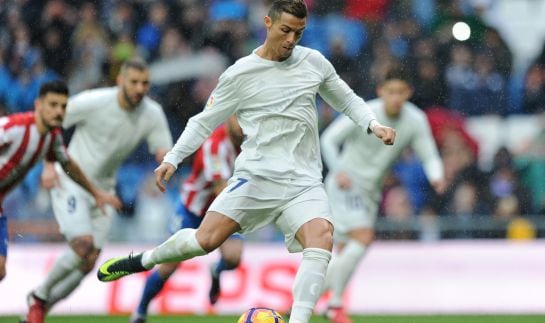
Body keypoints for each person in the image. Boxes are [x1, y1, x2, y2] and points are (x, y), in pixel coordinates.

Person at [96, 2, 396, 323]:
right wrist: (173, 157)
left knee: (321, 237)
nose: (291, 39)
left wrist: (372, 124)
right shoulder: (240, 73)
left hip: (303, 181)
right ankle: (144, 259)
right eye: (285, 30)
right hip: (256, 178)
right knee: (205, 241)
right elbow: (203, 121)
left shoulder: (314, 63)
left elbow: (346, 98)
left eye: (299, 32)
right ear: (268, 23)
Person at [23, 58, 173, 323]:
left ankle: (39, 309)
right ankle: (39, 296)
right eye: (134, 82)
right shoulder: (95, 101)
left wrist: (168, 162)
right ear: (120, 81)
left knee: (89, 262)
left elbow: (163, 149)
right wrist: (48, 164)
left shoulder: (152, 113)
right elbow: (52, 121)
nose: (140, 88)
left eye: (145, 83)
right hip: (70, 180)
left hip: (104, 190)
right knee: (83, 245)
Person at [319, 67, 446, 323]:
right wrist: (338, 170)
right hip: (346, 184)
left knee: (347, 251)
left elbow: (429, 153)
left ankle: (312, 302)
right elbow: (329, 139)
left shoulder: (415, 120)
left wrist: (436, 175)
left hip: (371, 191)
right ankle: (330, 304)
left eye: (401, 92)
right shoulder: (365, 112)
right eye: (391, 92)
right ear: (381, 92)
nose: (396, 97)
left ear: (408, 93)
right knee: (363, 238)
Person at [0, 80, 121, 283]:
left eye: (63, 106)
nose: (59, 111)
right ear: (39, 105)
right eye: (53, 105)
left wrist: (95, 193)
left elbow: (68, 165)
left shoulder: (52, 137)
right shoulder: (15, 127)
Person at [130, 116, 244, 323]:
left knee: (234, 257)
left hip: (222, 207)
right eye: (239, 118)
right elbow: (222, 191)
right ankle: (140, 311)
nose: (243, 125)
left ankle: (216, 270)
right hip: (194, 209)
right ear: (229, 117)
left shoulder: (251, 144)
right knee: (169, 264)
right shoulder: (214, 146)